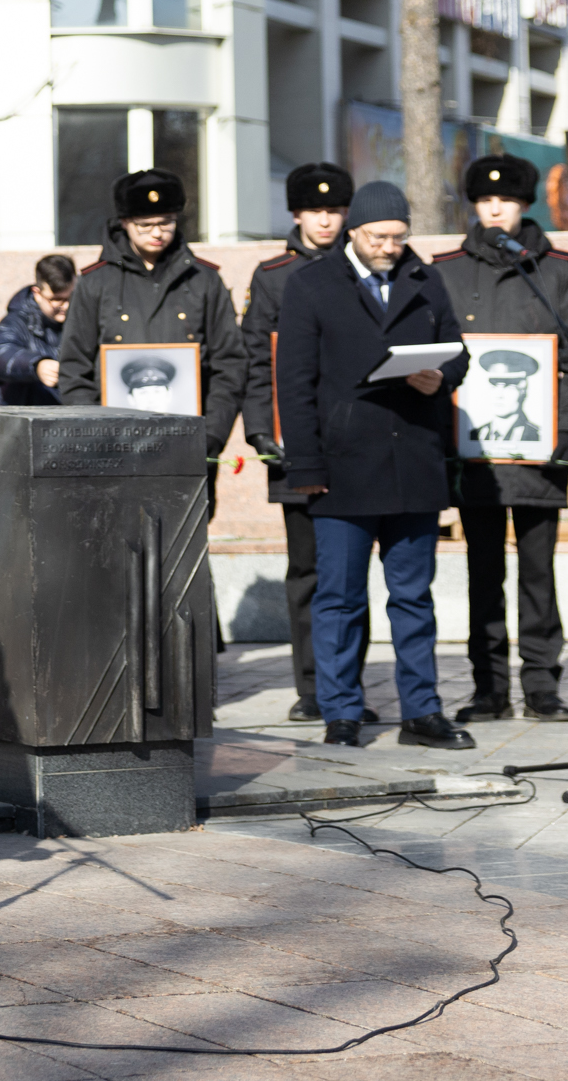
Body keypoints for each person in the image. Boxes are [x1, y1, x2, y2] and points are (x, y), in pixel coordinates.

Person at [273, 180, 475, 751]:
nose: (390, 246)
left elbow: (457, 348)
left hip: (412, 461)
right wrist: (306, 467)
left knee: (414, 597)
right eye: (380, 237)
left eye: (399, 236)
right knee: (339, 597)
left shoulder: (425, 279)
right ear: (354, 232)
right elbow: (295, 384)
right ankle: (341, 711)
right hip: (342, 467)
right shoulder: (310, 286)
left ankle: (422, 711)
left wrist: (444, 376)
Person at [430, 154, 568, 725]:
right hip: (473, 455)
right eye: (484, 200)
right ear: (474, 205)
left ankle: (543, 685)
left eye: (507, 200)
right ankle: (488, 687)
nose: (496, 207)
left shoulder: (559, 269)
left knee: (539, 572)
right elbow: (433, 354)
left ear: (526, 205)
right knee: (483, 571)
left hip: (539, 452)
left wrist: (565, 433)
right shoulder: (443, 271)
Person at [241, 162, 371, 721]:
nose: (325, 219)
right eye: (315, 209)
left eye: (335, 210)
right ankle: (313, 686)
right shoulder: (272, 276)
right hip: (294, 443)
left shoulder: (363, 266)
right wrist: (260, 430)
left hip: (355, 444)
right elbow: (255, 360)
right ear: (296, 213)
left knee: (353, 572)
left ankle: (351, 686)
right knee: (307, 570)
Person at [59, 169, 245, 493]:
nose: (157, 233)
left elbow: (229, 362)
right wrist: (94, 432)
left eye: (166, 222)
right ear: (125, 224)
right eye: (145, 225)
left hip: (189, 445)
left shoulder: (204, 281)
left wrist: (211, 435)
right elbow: (74, 366)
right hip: (112, 448)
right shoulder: (95, 283)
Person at [0, 254, 74, 405]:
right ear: (37, 293)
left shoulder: (83, 316)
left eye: (70, 297)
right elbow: (0, 354)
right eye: (55, 300)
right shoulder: (17, 320)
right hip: (26, 412)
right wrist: (36, 365)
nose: (65, 306)